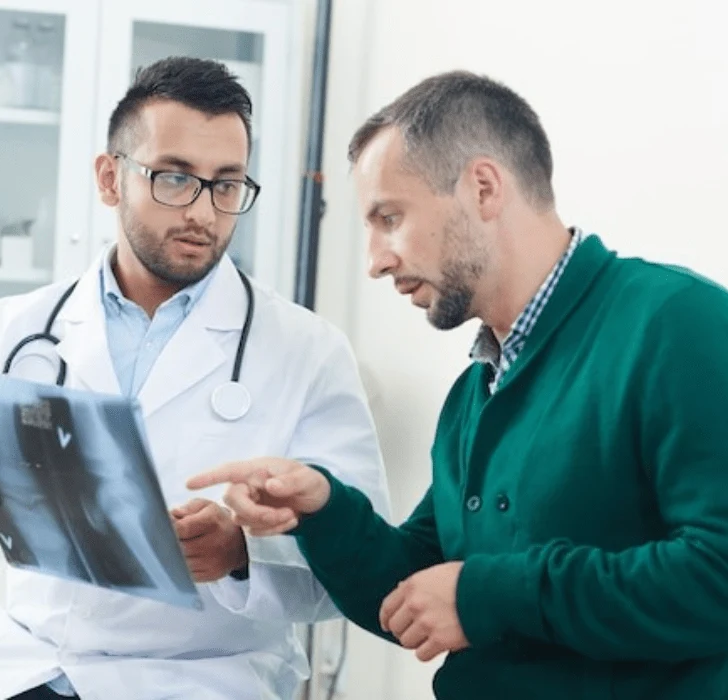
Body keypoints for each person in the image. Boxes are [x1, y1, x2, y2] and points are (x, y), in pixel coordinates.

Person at [188, 70, 728, 700]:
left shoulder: (679, 324)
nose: (376, 260)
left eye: (390, 217)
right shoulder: (477, 390)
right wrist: (323, 510)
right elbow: (412, 590)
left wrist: (490, 594)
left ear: (483, 187)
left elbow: (716, 571)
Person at [0, 56, 390, 700]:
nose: (203, 212)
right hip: (28, 659)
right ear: (110, 178)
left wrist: (241, 556)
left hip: (202, 674)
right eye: (175, 178)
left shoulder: (309, 352)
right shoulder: (15, 327)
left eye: (226, 185)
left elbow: (363, 559)